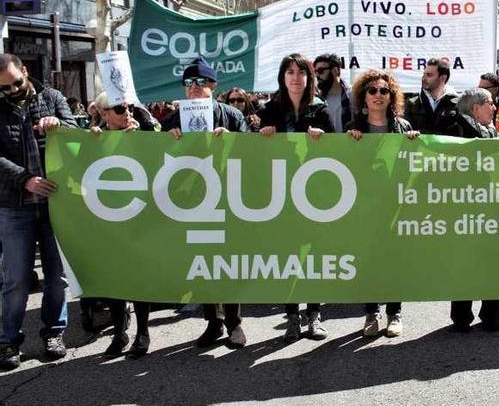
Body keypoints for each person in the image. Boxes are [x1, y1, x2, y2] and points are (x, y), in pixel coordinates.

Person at [161, 55, 250, 348]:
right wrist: (168, 137)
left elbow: (255, 152)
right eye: (188, 83)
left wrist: (233, 140)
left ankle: (235, 323)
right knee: (201, 262)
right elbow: (156, 156)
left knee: (227, 262)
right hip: (193, 201)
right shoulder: (174, 118)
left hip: (226, 198)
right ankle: (213, 322)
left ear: (213, 85)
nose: (194, 88)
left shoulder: (231, 116)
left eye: (200, 82)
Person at [0, 54, 75, 370]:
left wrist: (60, 124)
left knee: (56, 276)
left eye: (17, 82)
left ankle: (53, 332)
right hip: (14, 206)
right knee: (15, 279)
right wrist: (25, 180)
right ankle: (8, 341)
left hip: (56, 203)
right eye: (5, 88)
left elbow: (77, 134)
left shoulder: (52, 97)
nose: (14, 90)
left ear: (26, 71)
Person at [258, 53, 334, 341]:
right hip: (281, 192)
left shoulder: (321, 109)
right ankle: (291, 315)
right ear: (282, 76)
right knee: (288, 254)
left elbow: (336, 152)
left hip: (312, 193)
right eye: (290, 71)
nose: (295, 77)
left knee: (312, 254)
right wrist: (262, 134)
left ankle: (314, 315)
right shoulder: (270, 109)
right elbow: (256, 153)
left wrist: (323, 138)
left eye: (301, 72)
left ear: (308, 77)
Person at [345, 69, 419, 337]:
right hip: (365, 206)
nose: (378, 95)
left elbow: (413, 168)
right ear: (363, 96)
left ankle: (394, 313)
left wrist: (414, 145)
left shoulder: (404, 128)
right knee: (369, 260)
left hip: (395, 205)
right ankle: (371, 313)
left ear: (392, 96)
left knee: (394, 260)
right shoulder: (352, 129)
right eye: (372, 90)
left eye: (384, 91)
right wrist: (348, 144)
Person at [88, 92, 156, 357]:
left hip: (139, 215)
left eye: (128, 107)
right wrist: (91, 138)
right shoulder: (94, 138)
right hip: (108, 217)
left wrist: (143, 135)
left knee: (139, 275)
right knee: (114, 277)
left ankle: (143, 333)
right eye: (118, 109)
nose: (126, 112)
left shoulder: (143, 134)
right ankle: (119, 332)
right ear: (104, 113)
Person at [449, 88, 499, 332]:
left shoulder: (492, 131)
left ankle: (491, 316)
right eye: (490, 103)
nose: (494, 107)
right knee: (466, 261)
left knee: (493, 260)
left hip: (492, 205)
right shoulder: (454, 130)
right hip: (466, 207)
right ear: (475, 108)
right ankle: (461, 317)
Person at [405, 58, 459, 135]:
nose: (424, 78)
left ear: (443, 78)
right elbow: (404, 134)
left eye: (429, 75)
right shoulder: (412, 104)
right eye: (424, 74)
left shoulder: (457, 105)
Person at [314, 53, 353, 133]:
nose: (317, 76)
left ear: (336, 70)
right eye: (316, 72)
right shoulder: (317, 100)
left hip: (352, 144)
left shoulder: (354, 95)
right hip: (326, 144)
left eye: (321, 71)